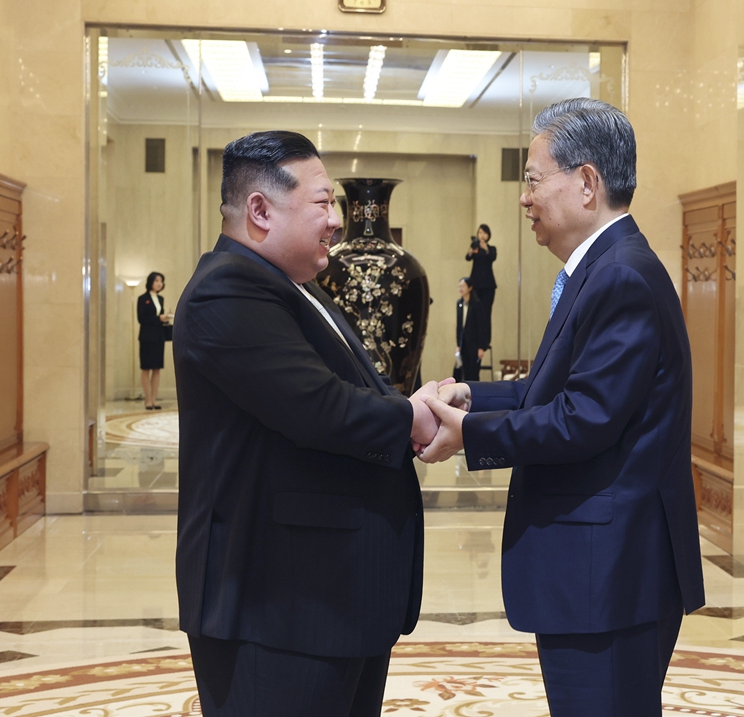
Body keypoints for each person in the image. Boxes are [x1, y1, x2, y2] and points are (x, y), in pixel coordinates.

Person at [419, 99, 705, 716]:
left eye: (532, 179)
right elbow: (552, 389)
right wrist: (472, 396)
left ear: (587, 183)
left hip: (609, 575)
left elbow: (584, 419)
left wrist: (470, 434)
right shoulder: (599, 270)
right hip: (600, 575)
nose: (524, 199)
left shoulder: (620, 276)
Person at [173, 130, 441, 717]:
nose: (337, 221)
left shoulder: (292, 286)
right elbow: (319, 407)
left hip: (328, 598)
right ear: (260, 210)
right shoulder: (227, 289)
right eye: (322, 203)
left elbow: (349, 392)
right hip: (277, 606)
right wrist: (412, 417)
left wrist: (412, 404)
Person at [136, 271, 173, 410]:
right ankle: (147, 400)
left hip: (158, 337)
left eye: (161, 281)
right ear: (151, 282)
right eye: (157, 280)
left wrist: (166, 317)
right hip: (146, 337)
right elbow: (141, 319)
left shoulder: (160, 299)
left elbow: (160, 318)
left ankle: (154, 399)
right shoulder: (142, 298)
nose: (159, 283)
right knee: (146, 368)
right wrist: (159, 318)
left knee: (157, 369)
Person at [464, 223, 496, 346]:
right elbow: (467, 257)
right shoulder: (475, 247)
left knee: (486, 312)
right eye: (480, 232)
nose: (481, 235)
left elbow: (492, 257)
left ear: (488, 235)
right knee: (475, 311)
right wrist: (471, 250)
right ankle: (474, 339)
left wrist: (485, 248)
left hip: (488, 286)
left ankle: (485, 341)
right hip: (475, 285)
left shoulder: (491, 249)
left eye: (484, 233)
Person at [455, 277, 488, 382]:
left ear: (470, 288)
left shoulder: (477, 304)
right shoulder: (459, 303)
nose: (461, 289)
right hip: (463, 343)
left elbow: (482, 326)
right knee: (464, 372)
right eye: (459, 286)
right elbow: (459, 326)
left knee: (473, 372)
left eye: (463, 286)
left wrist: (481, 347)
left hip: (474, 344)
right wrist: (458, 345)